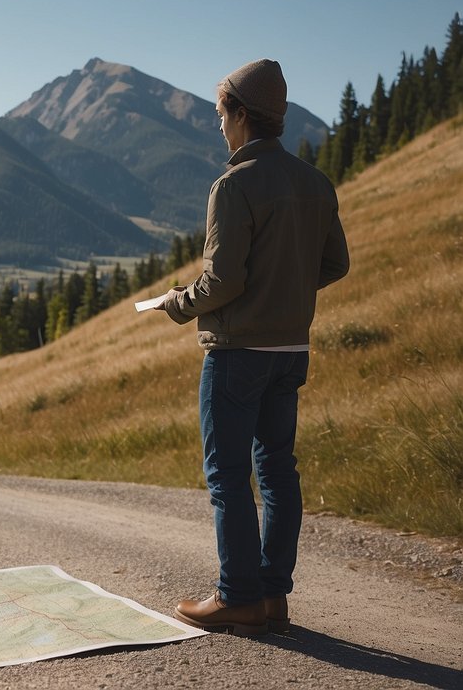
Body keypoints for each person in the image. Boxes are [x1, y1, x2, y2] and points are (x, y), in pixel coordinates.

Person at [155, 58, 349, 635]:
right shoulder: (316, 183)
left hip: (237, 352)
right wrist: (283, 287)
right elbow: (335, 263)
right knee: (278, 471)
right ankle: (272, 596)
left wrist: (178, 303)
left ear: (241, 114)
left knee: (228, 475)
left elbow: (223, 282)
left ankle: (237, 596)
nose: (220, 127)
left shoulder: (232, 185)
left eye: (222, 115)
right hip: (291, 351)